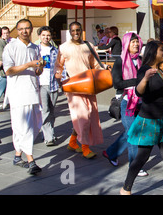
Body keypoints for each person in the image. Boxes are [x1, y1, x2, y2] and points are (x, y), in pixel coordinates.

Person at [120, 41, 163, 195]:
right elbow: (139, 92)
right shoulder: (144, 70)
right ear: (153, 52)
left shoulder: (160, 70)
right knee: (141, 158)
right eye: (162, 51)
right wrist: (145, 79)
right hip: (148, 121)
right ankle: (126, 188)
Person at [55, 21, 104, 159]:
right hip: (73, 86)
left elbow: (96, 64)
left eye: (78, 30)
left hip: (89, 85)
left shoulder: (89, 46)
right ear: (69, 32)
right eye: (73, 31)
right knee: (83, 116)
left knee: (89, 115)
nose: (75, 33)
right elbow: (58, 66)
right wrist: (58, 77)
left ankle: (72, 142)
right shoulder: (63, 47)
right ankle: (85, 147)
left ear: (81, 30)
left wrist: (102, 71)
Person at [3, 19, 44, 175]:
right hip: (18, 92)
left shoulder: (35, 47)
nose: (24, 31)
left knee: (34, 124)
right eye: (21, 29)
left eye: (27, 28)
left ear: (31, 29)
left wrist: (39, 67)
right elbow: (8, 70)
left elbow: (38, 71)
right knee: (23, 126)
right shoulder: (10, 47)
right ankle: (31, 160)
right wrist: (28, 65)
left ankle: (17, 155)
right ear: (17, 30)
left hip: (33, 90)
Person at [103, 32, 148, 177]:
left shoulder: (141, 60)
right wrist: (137, 82)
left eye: (137, 41)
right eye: (132, 42)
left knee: (130, 131)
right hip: (126, 102)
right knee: (133, 132)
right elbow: (117, 83)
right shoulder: (120, 61)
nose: (135, 44)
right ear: (126, 44)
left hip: (141, 102)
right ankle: (135, 166)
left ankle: (110, 152)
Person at [37, 26, 59, 146]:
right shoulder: (36, 50)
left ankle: (49, 132)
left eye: (48, 35)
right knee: (44, 110)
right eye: (44, 35)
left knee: (51, 111)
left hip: (54, 84)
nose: (46, 37)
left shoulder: (55, 50)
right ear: (39, 36)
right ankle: (48, 137)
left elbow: (60, 67)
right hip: (41, 84)